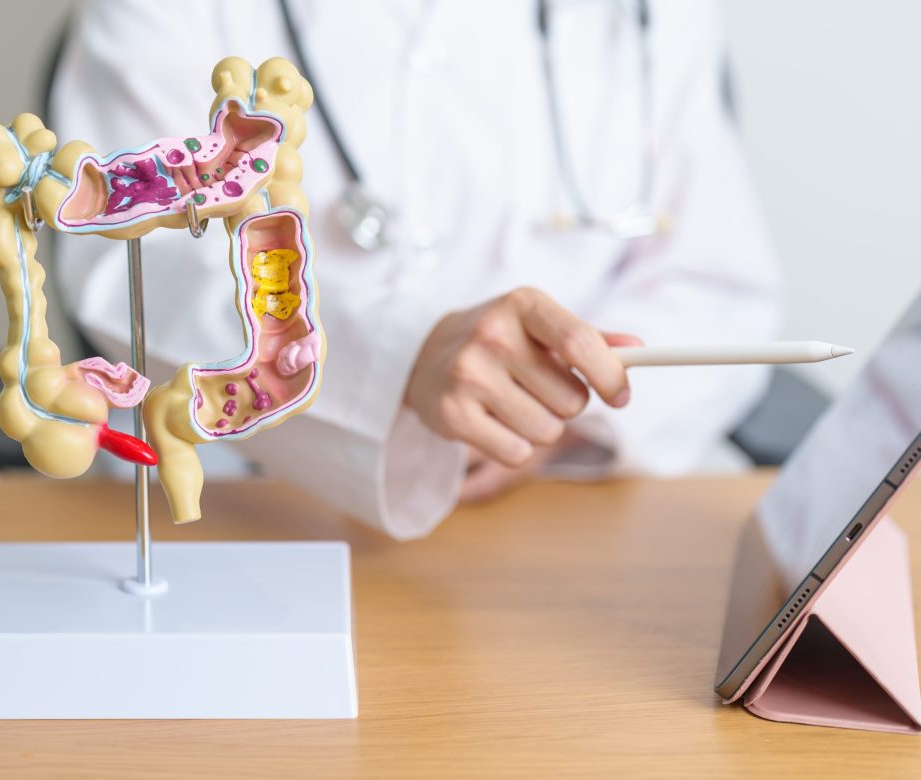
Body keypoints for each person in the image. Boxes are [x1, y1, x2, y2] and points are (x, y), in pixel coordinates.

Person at [50, 0, 781, 539]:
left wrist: (549, 414)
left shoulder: (657, 15)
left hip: (557, 520)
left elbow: (713, 287)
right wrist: (402, 359)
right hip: (241, 506)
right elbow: (126, 255)